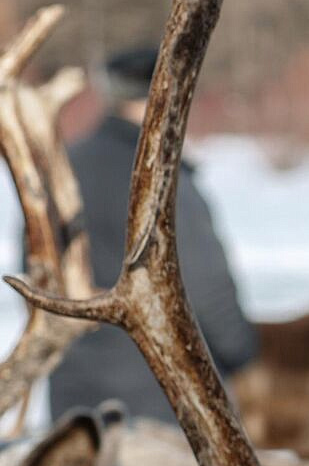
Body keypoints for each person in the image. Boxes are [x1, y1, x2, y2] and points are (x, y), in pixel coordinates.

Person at [44, 46, 259, 424]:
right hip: (162, 400)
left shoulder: (63, 168)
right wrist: (242, 353)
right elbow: (206, 284)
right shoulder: (161, 175)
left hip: (74, 406)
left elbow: (38, 276)